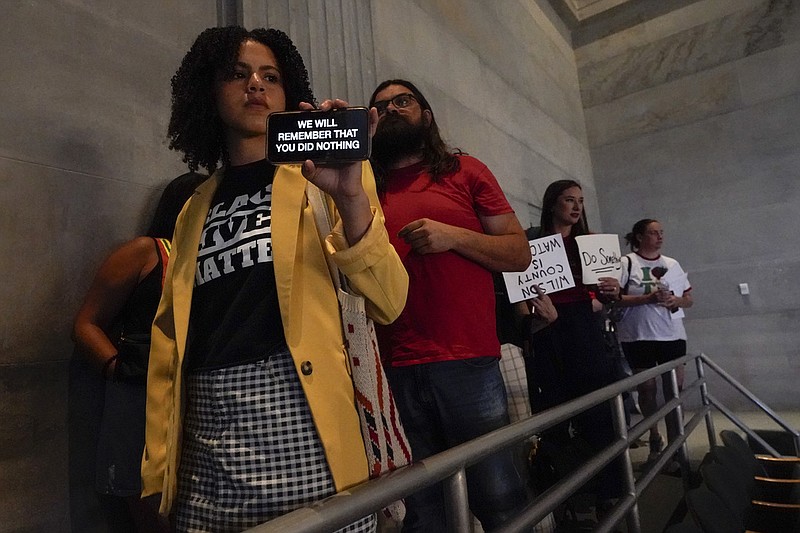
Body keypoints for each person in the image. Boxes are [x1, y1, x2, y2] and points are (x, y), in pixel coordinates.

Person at [141, 27, 408, 533]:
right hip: (205, 438)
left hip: (301, 421)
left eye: (271, 77)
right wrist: (159, 466)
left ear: (290, 94)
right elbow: (169, 340)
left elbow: (390, 302)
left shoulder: (323, 178)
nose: (256, 86)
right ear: (209, 92)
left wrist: (349, 196)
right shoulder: (193, 207)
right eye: (237, 75)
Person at [368, 78, 533, 532]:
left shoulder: (465, 170)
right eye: (382, 106)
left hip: (467, 361)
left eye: (404, 101)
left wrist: (452, 235)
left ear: (427, 114)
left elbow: (519, 254)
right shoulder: (363, 188)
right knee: (423, 513)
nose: (393, 109)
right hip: (393, 368)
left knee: (499, 498)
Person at [72, 170, 207, 532]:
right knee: (143, 494)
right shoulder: (147, 252)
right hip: (139, 394)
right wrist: (116, 367)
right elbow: (86, 322)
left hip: (191, 396)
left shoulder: (210, 262)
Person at [525, 180, 623, 513]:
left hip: (583, 332)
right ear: (553, 203)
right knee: (554, 416)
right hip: (547, 333)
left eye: (580, 200)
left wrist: (612, 291)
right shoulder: (530, 244)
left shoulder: (590, 243)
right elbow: (519, 297)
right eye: (569, 200)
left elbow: (609, 301)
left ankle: (608, 492)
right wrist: (539, 313)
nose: (577, 206)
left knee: (598, 414)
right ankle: (564, 498)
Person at [616, 218, 693, 464]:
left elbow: (689, 298)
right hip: (639, 336)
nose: (659, 237)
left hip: (671, 334)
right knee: (647, 390)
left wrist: (676, 301)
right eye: (653, 233)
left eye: (661, 232)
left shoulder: (672, 264)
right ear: (639, 236)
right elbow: (614, 299)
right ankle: (654, 435)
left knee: (674, 390)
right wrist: (646, 299)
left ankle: (676, 443)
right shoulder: (627, 263)